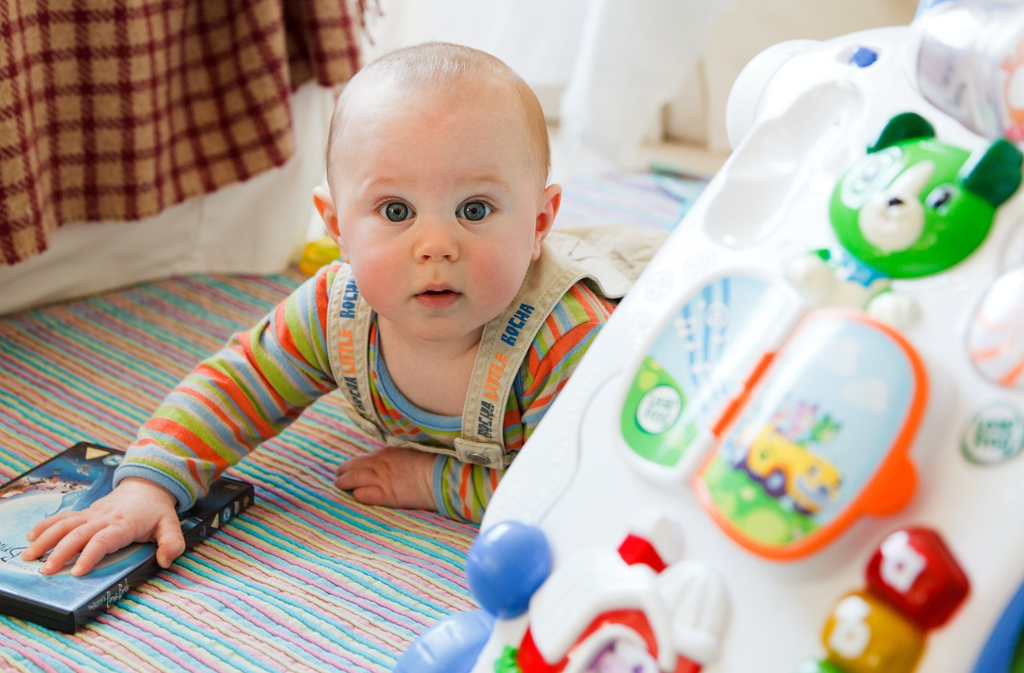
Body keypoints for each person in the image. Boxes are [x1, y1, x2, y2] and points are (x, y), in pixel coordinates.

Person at [21, 42, 665, 577]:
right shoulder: (337, 307)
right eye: (395, 212)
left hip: (654, 304)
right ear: (336, 225)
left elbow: (580, 488)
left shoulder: (570, 340)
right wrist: (149, 483)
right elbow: (239, 384)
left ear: (539, 223)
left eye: (475, 210)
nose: (436, 246)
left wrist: (433, 481)